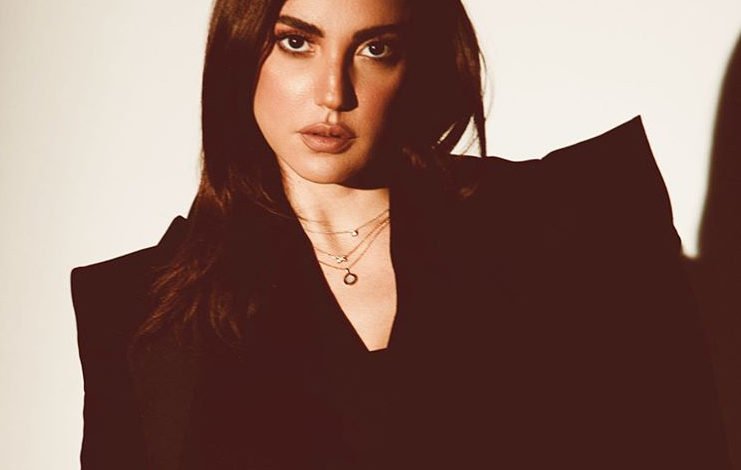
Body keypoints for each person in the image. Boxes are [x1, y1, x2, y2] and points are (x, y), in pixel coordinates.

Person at [70, 0, 731, 468]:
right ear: (241, 53)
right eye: (296, 42)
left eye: (374, 48)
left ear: (417, 64)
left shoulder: (569, 226)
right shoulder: (143, 312)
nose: (333, 93)